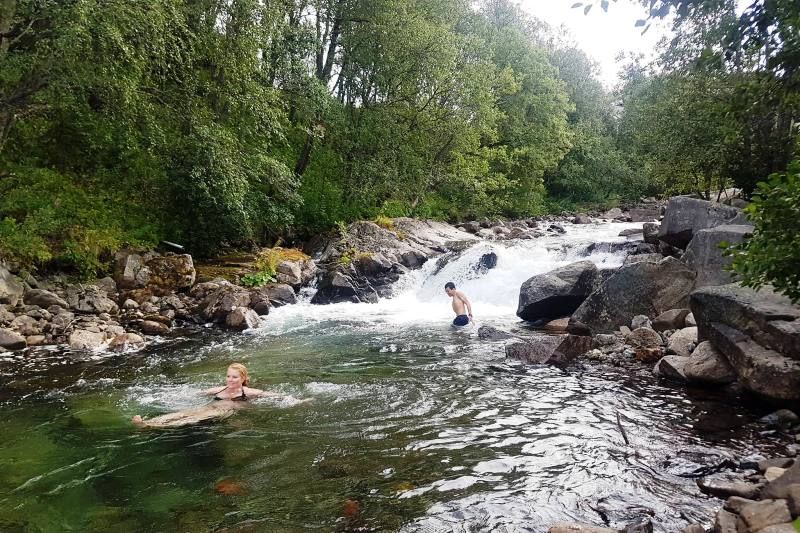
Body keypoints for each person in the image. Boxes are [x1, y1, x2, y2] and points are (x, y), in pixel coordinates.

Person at [131, 363, 289, 428]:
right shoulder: (219, 390)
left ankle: (152, 427)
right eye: (228, 376)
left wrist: (297, 400)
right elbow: (193, 393)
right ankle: (147, 423)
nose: (230, 379)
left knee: (191, 419)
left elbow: (274, 395)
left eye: (235, 377)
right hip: (209, 407)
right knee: (183, 413)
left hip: (223, 411)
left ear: (243, 379)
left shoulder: (247, 392)